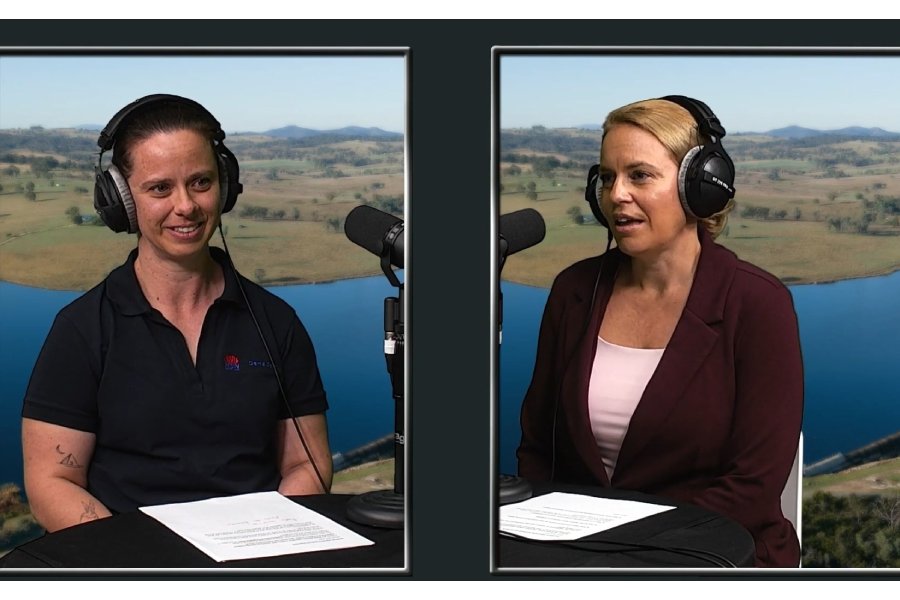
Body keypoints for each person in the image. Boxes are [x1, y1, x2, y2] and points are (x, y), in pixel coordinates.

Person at [21, 94, 332, 533]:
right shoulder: (81, 329)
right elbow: (51, 481)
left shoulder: (276, 322)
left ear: (225, 185)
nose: (185, 205)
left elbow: (309, 463)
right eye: (160, 188)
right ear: (121, 199)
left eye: (201, 182)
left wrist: (267, 548)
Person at [517, 96, 803, 567]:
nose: (616, 195)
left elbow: (752, 486)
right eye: (607, 178)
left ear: (700, 185)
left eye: (640, 175)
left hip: (717, 562)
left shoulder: (757, 303)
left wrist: (629, 554)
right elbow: (537, 448)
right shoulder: (574, 290)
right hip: (581, 563)